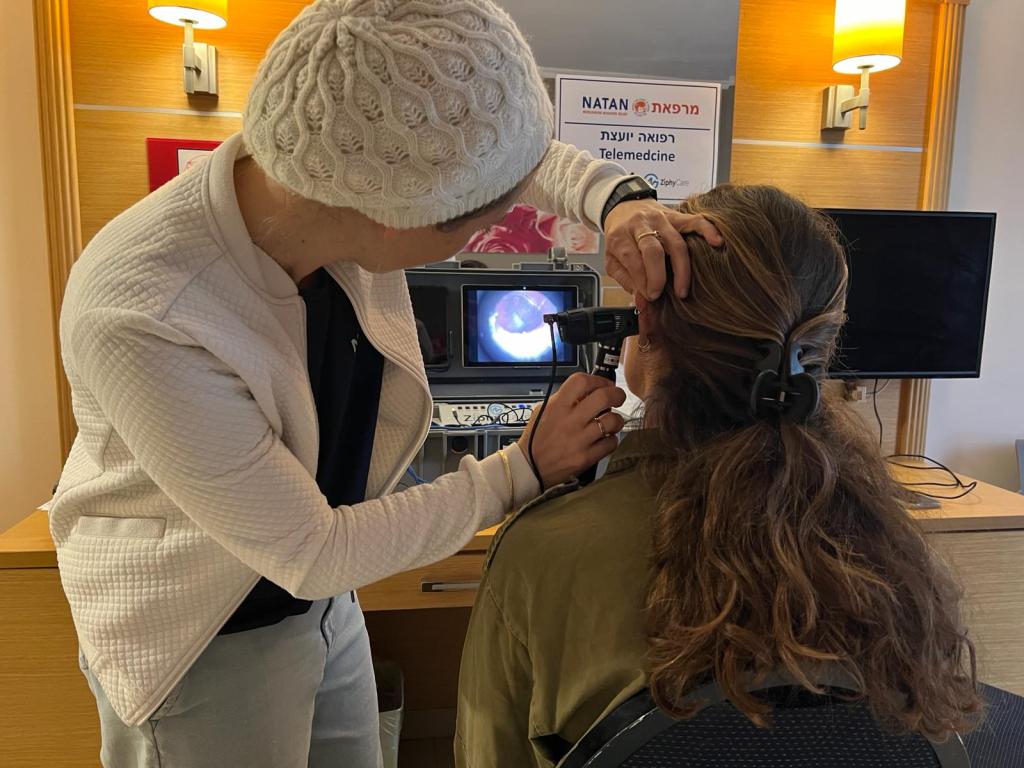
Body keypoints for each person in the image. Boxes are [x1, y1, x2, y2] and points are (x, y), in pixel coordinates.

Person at [51, 1, 721, 766]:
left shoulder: (337, 169)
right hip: (205, 631)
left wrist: (619, 199)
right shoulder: (147, 312)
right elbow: (311, 549)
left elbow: (507, 157)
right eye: (477, 223)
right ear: (400, 219)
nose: (489, 228)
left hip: (325, 595)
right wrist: (521, 470)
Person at [455, 185, 982, 767]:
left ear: (645, 319)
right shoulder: (895, 557)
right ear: (819, 346)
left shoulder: (540, 551)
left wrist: (521, 473)